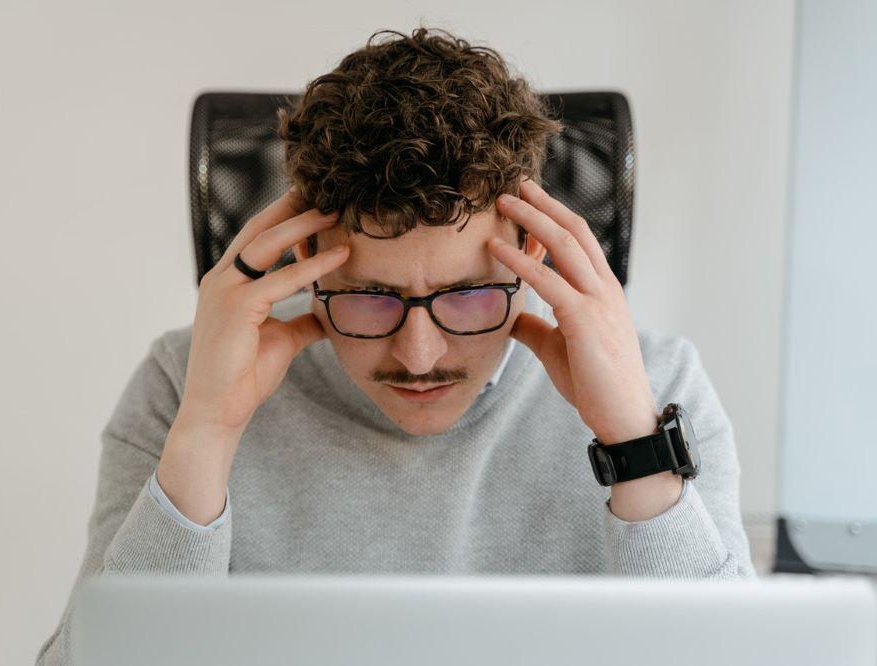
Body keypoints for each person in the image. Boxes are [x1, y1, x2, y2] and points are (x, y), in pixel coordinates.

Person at [37, 26, 755, 665]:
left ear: (531, 250)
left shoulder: (658, 383)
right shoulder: (183, 381)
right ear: (307, 253)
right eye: (370, 297)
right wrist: (206, 432)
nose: (419, 356)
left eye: (468, 295)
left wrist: (633, 443)